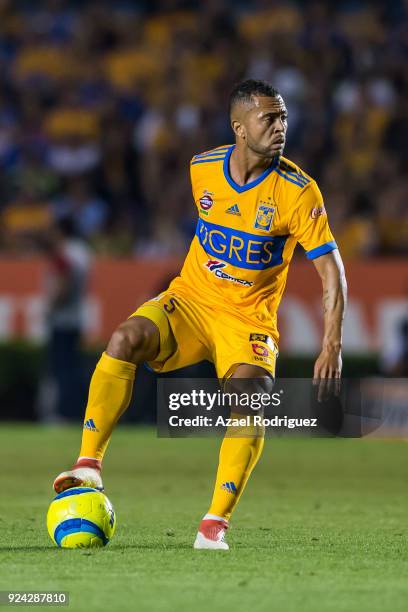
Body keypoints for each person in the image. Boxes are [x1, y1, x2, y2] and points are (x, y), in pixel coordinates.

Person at [53, 80, 347, 550]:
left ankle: (214, 524)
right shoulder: (203, 168)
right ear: (239, 127)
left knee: (250, 399)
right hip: (191, 300)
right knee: (125, 338)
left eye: (284, 118)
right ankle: (88, 463)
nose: (280, 127)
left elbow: (332, 272)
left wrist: (331, 344)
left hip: (248, 319)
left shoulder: (298, 192)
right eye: (268, 118)